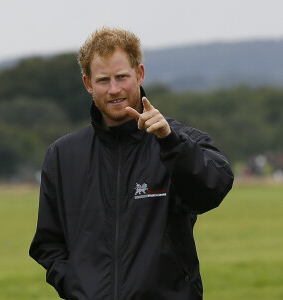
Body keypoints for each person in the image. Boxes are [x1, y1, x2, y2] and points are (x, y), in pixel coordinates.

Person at [29, 27, 234, 300]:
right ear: (88, 83)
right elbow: (48, 244)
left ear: (139, 74)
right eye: (103, 80)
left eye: (122, 77)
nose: (114, 89)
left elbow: (212, 190)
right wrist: (76, 286)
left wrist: (170, 143)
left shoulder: (179, 141)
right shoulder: (62, 156)